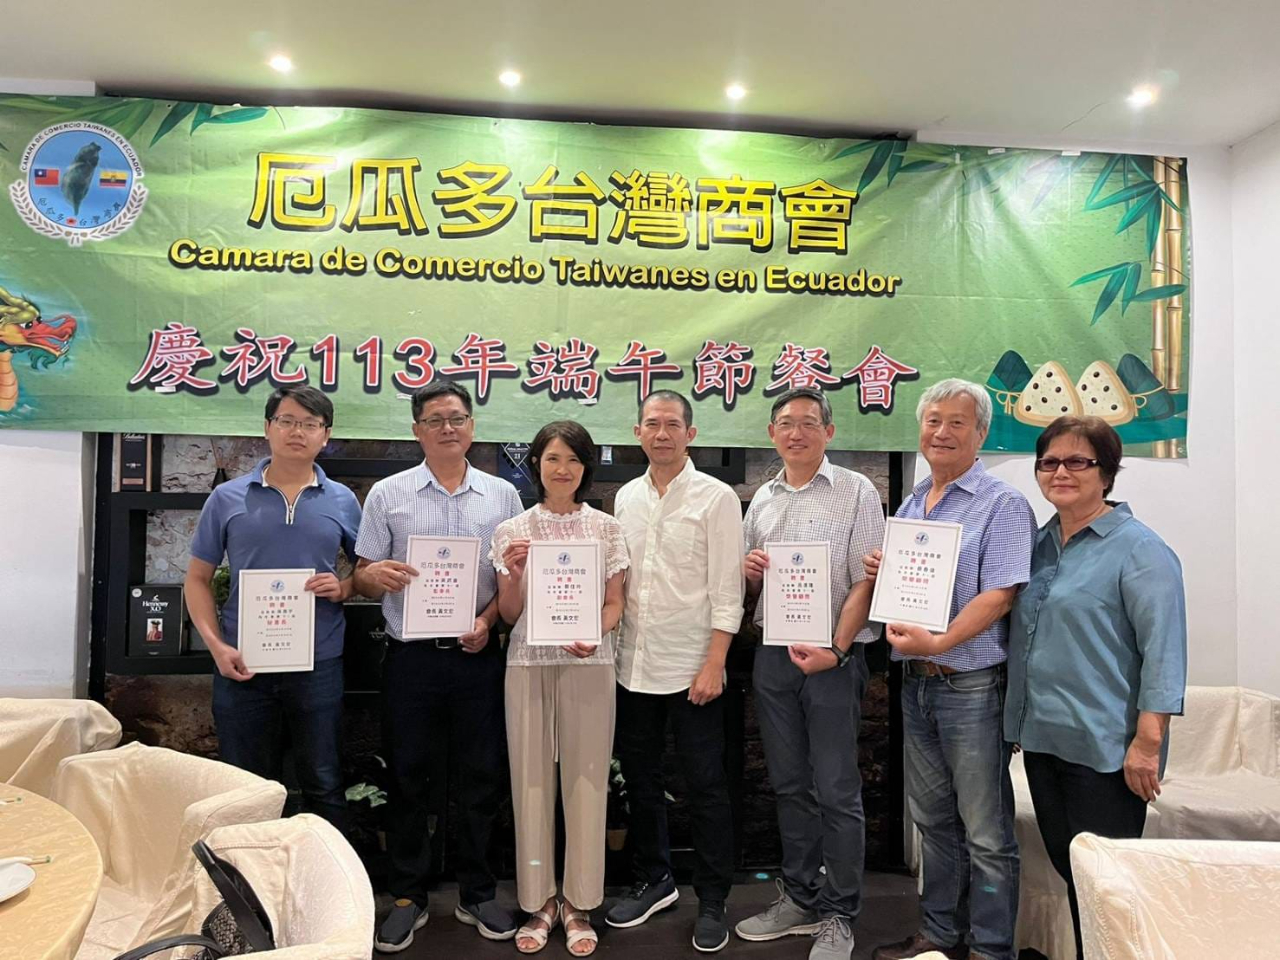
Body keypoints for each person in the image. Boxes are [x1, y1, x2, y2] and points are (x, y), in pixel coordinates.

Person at [866, 380, 1036, 960]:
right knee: (933, 821)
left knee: (986, 831)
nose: (941, 432)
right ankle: (939, 936)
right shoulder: (914, 503)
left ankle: (991, 949)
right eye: (933, 420)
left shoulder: (1002, 503)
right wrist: (887, 569)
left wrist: (939, 642)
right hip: (917, 684)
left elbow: (1000, 595)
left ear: (981, 433)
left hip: (971, 686)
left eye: (957, 422)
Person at [1006, 415, 1186, 958]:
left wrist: (1148, 742)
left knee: (1108, 885)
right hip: (1044, 740)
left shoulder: (1139, 549)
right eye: (1049, 462)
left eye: (1077, 461)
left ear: (1106, 473)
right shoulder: (1038, 545)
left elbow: (1164, 651)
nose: (1061, 472)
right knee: (1073, 872)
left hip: (1106, 749)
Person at [353, 382, 523, 954]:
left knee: (482, 777)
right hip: (411, 660)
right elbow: (362, 574)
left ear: (472, 426)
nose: (448, 428)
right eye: (435, 420)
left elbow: (511, 581)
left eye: (457, 418)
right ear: (416, 430)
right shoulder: (388, 493)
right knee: (407, 777)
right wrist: (374, 576)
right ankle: (408, 897)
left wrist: (489, 620)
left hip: (478, 656)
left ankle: (478, 892)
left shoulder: (502, 496)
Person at [735, 387, 885, 960]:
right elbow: (752, 584)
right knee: (789, 784)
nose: (795, 432)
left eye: (807, 422)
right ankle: (799, 897)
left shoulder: (856, 490)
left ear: (829, 431)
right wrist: (751, 573)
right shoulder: (762, 498)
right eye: (785, 423)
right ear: (771, 434)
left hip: (832, 657)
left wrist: (839, 652)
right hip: (774, 654)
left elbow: (867, 580)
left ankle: (839, 913)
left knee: (837, 789)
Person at [185, 384, 362, 834]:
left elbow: (367, 570)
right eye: (286, 421)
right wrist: (217, 647)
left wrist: (344, 587)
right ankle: (244, 876)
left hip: (318, 663)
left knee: (324, 781)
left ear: (326, 435)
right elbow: (197, 579)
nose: (297, 432)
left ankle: (324, 876)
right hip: (243, 664)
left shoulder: (342, 500)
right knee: (243, 786)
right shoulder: (227, 498)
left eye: (310, 424)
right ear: (267, 428)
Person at [607, 390, 744, 953]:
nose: (661, 433)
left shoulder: (716, 497)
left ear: (691, 434)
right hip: (632, 665)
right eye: (651, 424)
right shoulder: (624, 498)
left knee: (706, 786)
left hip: (694, 670)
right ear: (637, 432)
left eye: (672, 424)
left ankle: (712, 899)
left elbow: (728, 588)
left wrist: (715, 661)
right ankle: (655, 880)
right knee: (641, 782)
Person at [491, 420, 629, 957]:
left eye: (573, 459)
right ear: (536, 465)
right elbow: (509, 614)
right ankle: (539, 901)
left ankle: (579, 903)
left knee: (587, 783)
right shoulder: (512, 531)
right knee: (529, 783)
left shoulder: (606, 529)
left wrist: (596, 632)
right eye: (552, 458)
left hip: (589, 665)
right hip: (528, 664)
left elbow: (615, 604)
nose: (563, 469)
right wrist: (515, 573)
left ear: (586, 467)